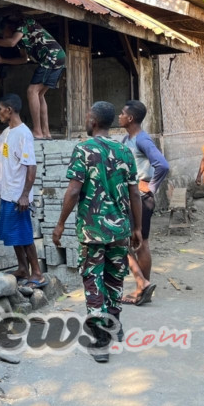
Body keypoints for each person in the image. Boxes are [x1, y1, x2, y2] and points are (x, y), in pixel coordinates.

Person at [52, 101, 142, 363]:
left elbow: (73, 191)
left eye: (87, 115)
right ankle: (114, 322)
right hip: (120, 230)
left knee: (93, 280)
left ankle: (101, 339)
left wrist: (60, 224)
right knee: (115, 277)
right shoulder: (124, 151)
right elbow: (134, 192)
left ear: (93, 121)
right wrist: (136, 227)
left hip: (92, 230)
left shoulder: (83, 150)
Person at [0, 15, 65, 140]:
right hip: (57, 58)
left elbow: (11, 42)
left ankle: (37, 132)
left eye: (2, 33)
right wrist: (3, 60)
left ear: (8, 26)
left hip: (51, 57)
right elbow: (23, 59)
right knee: (39, 94)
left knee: (31, 91)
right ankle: (46, 133)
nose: (3, 37)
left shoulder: (26, 23)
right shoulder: (22, 41)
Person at [118, 100, 169, 307]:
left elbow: (162, 165)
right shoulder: (126, 139)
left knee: (137, 243)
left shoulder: (142, 140)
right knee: (135, 242)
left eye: (122, 113)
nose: (119, 116)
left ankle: (142, 285)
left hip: (139, 198)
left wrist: (151, 187)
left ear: (130, 118)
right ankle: (143, 285)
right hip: (132, 197)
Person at [0, 93, 45, 288]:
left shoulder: (23, 134)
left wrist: (24, 195)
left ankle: (37, 273)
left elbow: (31, 166)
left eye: (0, 109)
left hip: (18, 197)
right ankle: (23, 268)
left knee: (24, 235)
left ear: (9, 110)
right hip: (7, 193)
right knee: (13, 235)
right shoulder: (7, 133)